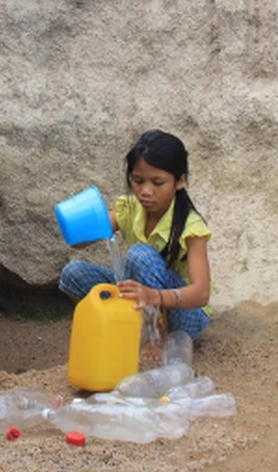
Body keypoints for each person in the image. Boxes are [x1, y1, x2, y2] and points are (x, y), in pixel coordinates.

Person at [58, 130, 212, 341]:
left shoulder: (190, 226)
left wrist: (155, 296)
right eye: (138, 181)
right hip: (141, 300)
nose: (146, 191)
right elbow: (81, 242)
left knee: (139, 255)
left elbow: (201, 293)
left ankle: (157, 337)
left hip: (184, 316)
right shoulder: (129, 208)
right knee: (73, 273)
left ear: (179, 181)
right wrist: (76, 225)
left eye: (157, 183)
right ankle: (112, 328)